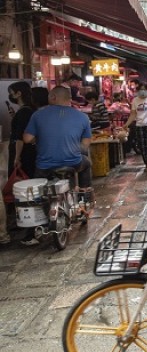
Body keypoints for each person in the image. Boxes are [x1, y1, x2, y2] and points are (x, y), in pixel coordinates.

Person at [23, 87, 92, 245]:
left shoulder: (38, 114)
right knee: (86, 164)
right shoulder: (81, 116)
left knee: (37, 193)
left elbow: (27, 139)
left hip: (44, 166)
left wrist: (40, 139)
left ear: (53, 97)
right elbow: (86, 143)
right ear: (69, 98)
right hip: (73, 163)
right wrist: (73, 149)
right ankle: (83, 199)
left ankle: (32, 230)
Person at [124, 81, 147, 173]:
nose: (142, 91)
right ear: (137, 91)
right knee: (142, 146)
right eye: (140, 90)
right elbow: (133, 114)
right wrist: (126, 124)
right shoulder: (135, 100)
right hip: (139, 126)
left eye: (144, 89)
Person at [7, 81, 36, 179]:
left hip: (23, 151)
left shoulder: (23, 112)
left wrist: (17, 157)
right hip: (30, 150)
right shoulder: (31, 110)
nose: (10, 96)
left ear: (19, 94)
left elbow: (20, 137)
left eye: (11, 93)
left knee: (19, 179)